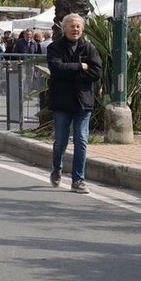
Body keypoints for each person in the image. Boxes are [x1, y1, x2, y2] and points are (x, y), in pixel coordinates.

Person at [47, 13, 103, 194]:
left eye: (78, 26)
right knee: (61, 141)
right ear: (64, 28)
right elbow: (56, 68)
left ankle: (78, 180)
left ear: (82, 29)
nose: (75, 29)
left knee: (81, 140)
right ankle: (57, 167)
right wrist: (80, 67)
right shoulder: (54, 47)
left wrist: (70, 72)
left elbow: (96, 72)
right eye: (72, 26)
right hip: (62, 102)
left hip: (83, 102)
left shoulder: (89, 49)